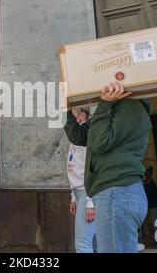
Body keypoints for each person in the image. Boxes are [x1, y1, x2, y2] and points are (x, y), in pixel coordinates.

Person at [64, 81, 151, 253]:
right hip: (111, 192)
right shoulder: (113, 107)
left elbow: (99, 142)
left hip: (117, 191)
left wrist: (104, 104)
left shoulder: (131, 106)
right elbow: (80, 136)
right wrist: (66, 109)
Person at [67, 108, 96, 253]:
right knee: (94, 243)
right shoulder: (74, 139)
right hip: (79, 193)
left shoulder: (87, 135)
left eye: (73, 115)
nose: (71, 120)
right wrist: (73, 197)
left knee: (83, 244)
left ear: (83, 115)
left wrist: (90, 202)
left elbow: (93, 168)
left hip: (87, 192)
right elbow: (75, 168)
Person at [142, 166, 157, 246]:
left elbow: (146, 195)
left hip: (156, 206)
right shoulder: (153, 183)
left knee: (155, 221)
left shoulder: (148, 185)